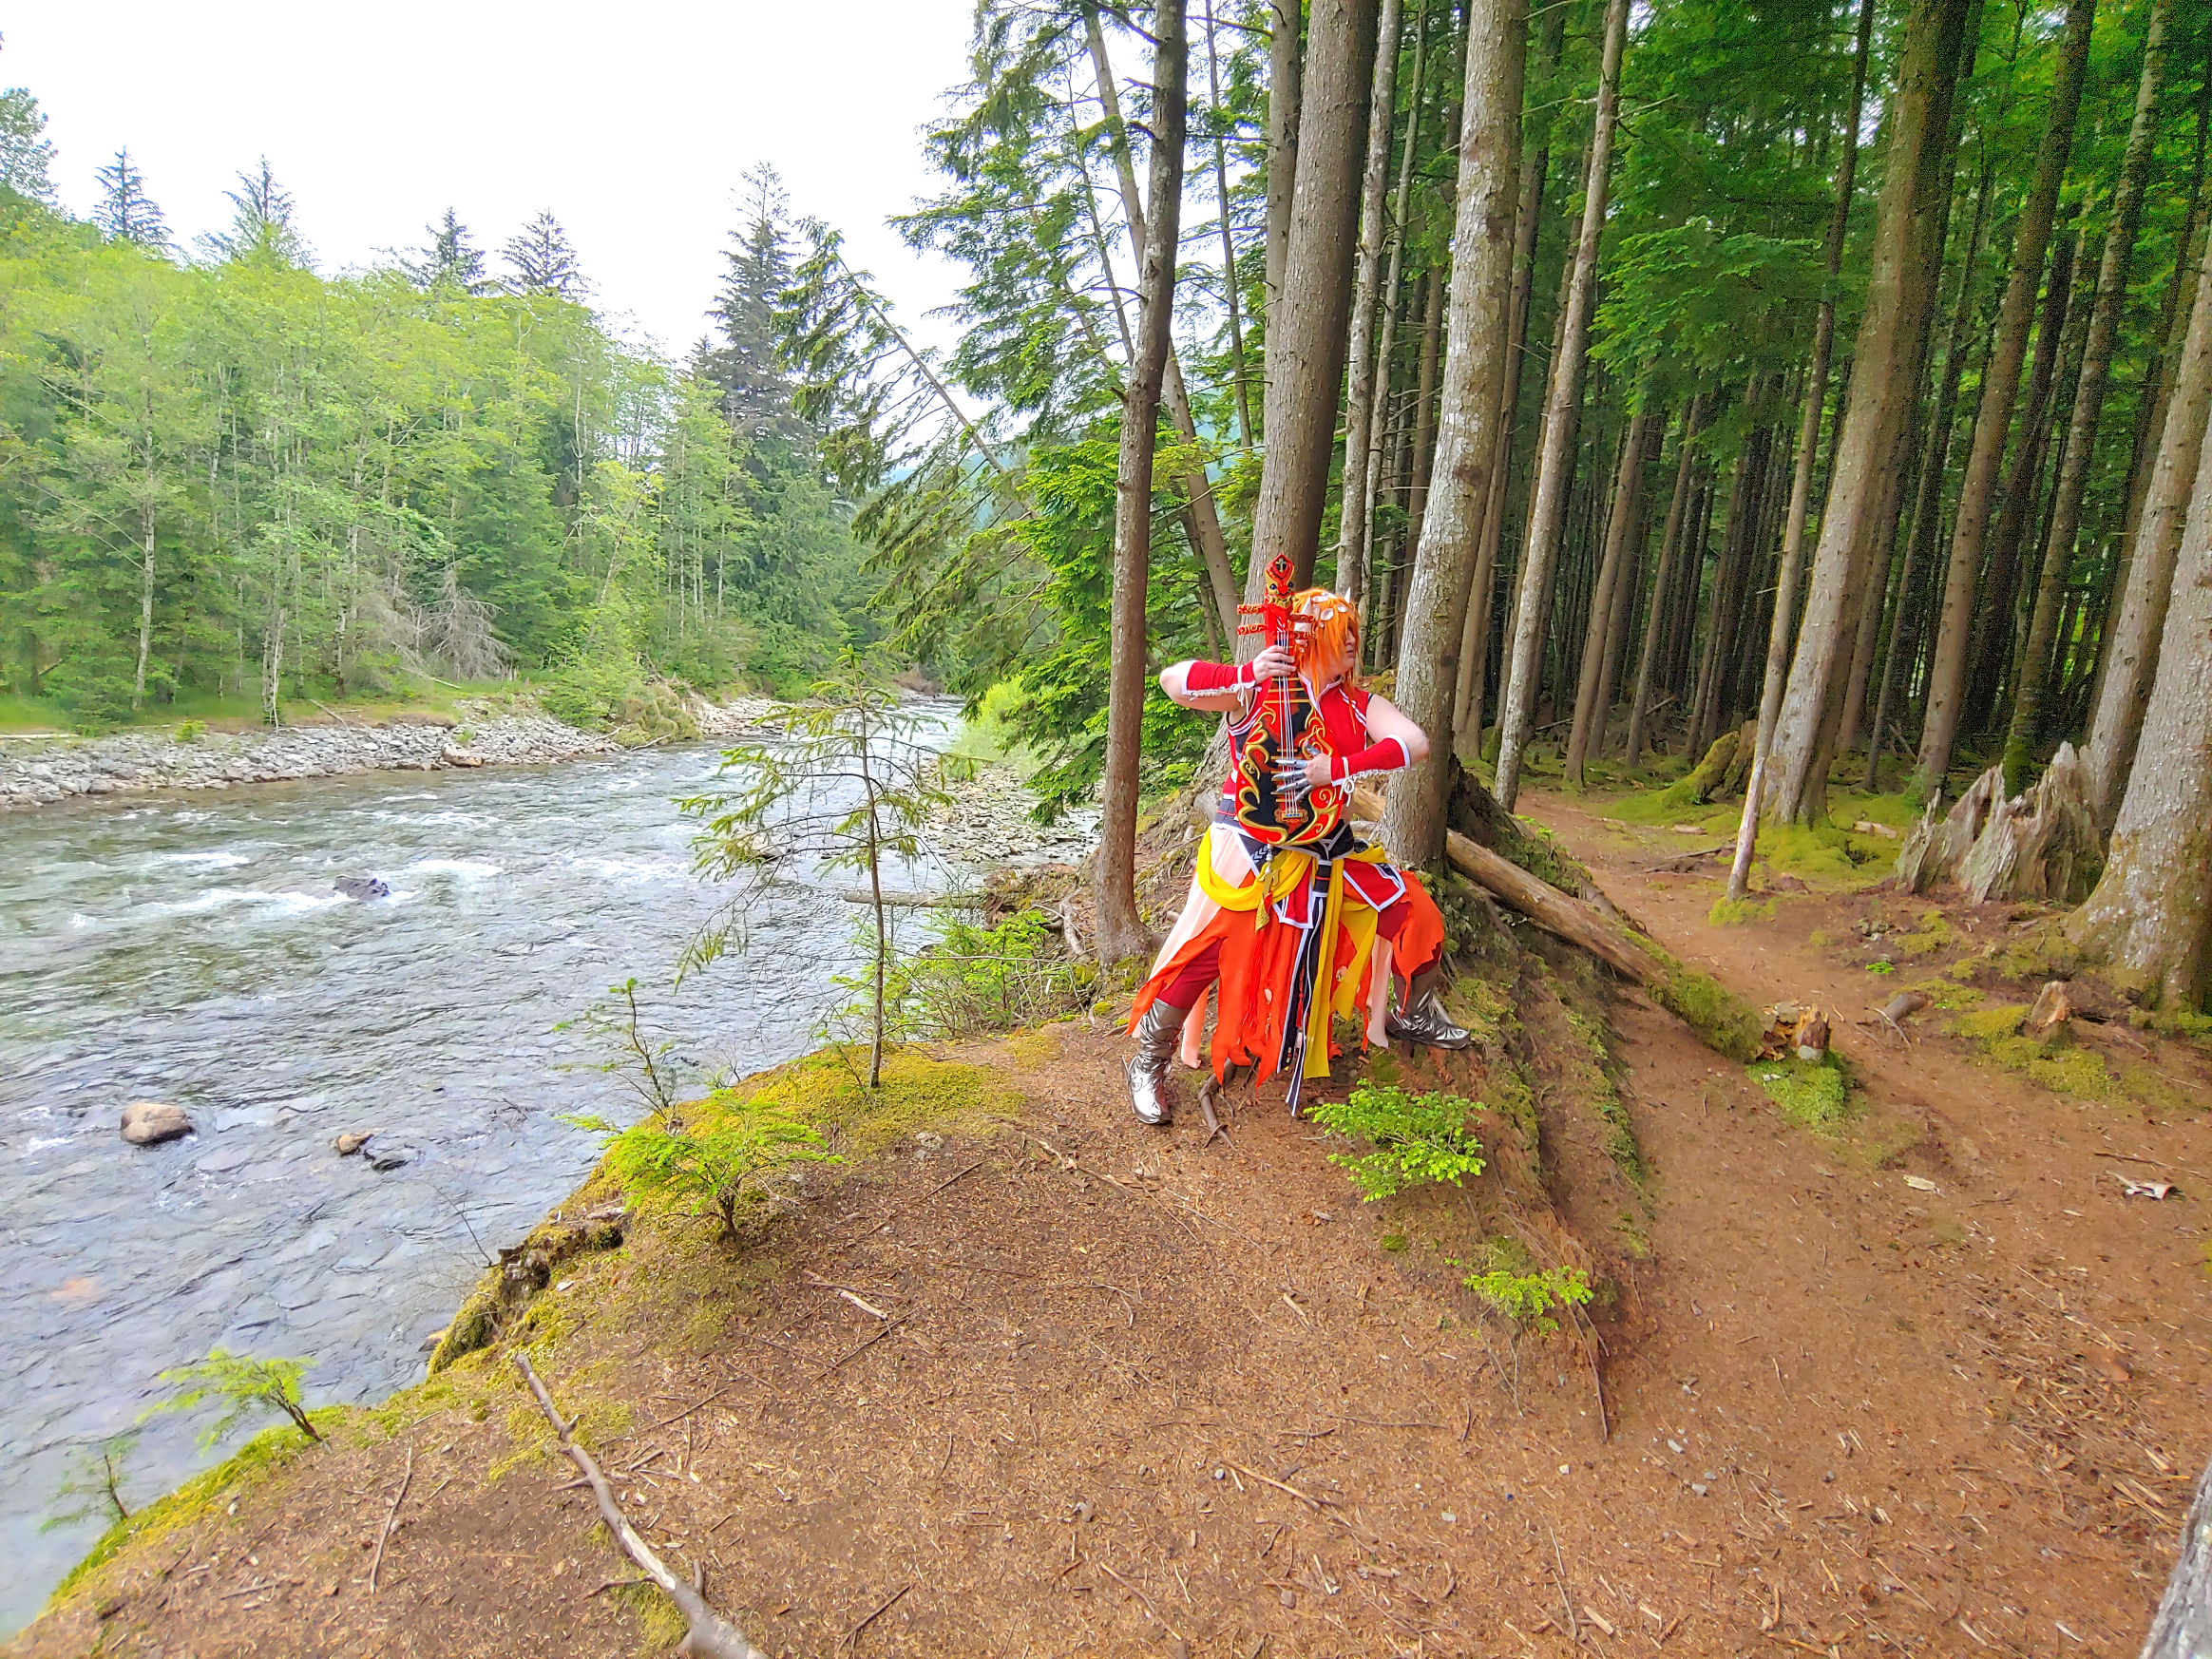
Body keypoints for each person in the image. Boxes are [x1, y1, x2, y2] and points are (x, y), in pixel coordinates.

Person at [1125, 584, 1467, 1125]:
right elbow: (1174, 681)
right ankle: (1147, 1061)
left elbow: (1415, 743)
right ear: (1310, 637)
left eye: (1354, 631)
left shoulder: (1357, 704)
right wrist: (1245, 672)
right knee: (1213, 950)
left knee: (1414, 910)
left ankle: (1412, 1014)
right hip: (1252, 849)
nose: (1352, 641)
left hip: (1327, 850)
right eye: (1339, 632)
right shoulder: (1261, 688)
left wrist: (1340, 768)